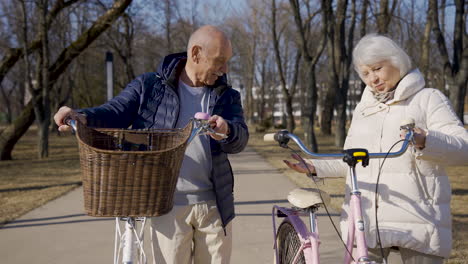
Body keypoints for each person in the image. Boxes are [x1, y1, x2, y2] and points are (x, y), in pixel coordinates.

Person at [54, 25, 248, 264]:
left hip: (214, 207)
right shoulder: (149, 87)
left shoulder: (227, 96)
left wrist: (227, 130)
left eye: (227, 62)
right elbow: (114, 111)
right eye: (219, 60)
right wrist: (80, 115)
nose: (224, 69)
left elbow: (240, 138)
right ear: (196, 54)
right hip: (166, 205)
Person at [284, 34, 468, 263]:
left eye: (377, 68)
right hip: (366, 218)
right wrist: (314, 166)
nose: (373, 78)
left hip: (419, 218)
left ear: (396, 61)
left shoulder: (428, 99)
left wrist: (426, 140)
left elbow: (464, 148)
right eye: (365, 74)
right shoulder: (364, 109)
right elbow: (352, 159)